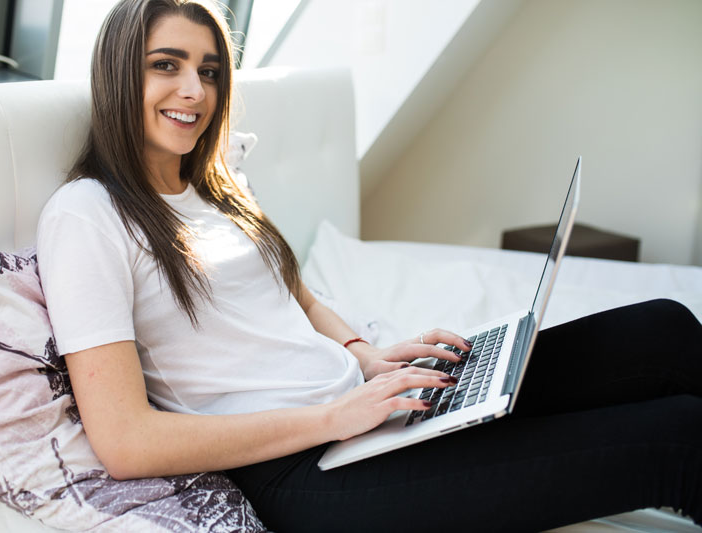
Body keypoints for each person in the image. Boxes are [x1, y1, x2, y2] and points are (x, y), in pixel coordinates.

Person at [36, 0, 702, 531]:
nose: (195, 90)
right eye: (167, 65)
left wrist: (367, 354)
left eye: (209, 70)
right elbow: (125, 440)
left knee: (666, 328)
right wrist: (335, 417)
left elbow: (293, 296)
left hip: (362, 413)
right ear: (121, 72)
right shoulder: (86, 216)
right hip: (303, 471)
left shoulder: (217, 187)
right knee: (678, 437)